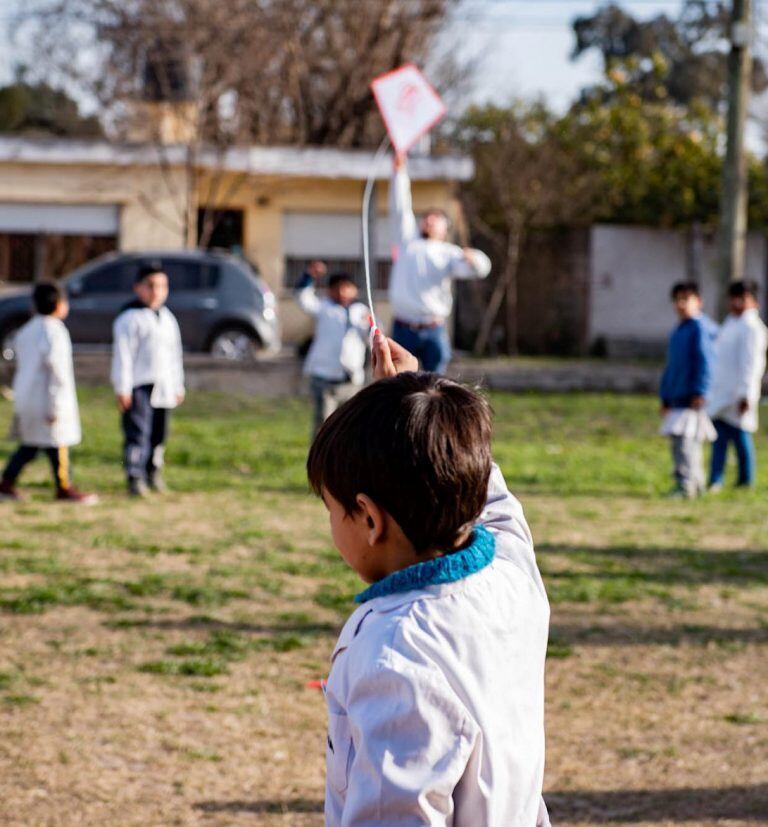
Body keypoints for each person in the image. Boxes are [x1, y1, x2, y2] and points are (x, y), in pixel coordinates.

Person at [308, 332, 550, 826]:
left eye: (332, 509)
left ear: (370, 521)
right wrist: (416, 406)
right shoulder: (511, 571)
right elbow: (487, 496)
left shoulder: (397, 654)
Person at [389, 153, 492, 373]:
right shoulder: (408, 241)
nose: (429, 220)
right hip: (403, 326)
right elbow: (400, 207)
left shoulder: (448, 253)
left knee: (436, 384)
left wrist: (473, 258)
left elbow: (481, 269)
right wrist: (399, 173)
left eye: (436, 219)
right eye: (427, 217)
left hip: (433, 328)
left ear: (445, 229)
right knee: (398, 384)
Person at [0, 281, 97, 503]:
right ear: (59, 304)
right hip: (48, 398)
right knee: (57, 443)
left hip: (26, 396)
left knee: (31, 445)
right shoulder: (54, 331)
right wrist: (55, 405)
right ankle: (64, 486)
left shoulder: (25, 330)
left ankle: (6, 483)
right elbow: (57, 370)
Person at [111, 265, 185, 497]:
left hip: (163, 386)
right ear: (138, 288)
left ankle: (153, 471)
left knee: (158, 434)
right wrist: (123, 388)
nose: (157, 291)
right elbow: (123, 356)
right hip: (139, 386)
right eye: (151, 286)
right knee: (138, 433)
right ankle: (135, 476)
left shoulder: (168, 318)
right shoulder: (129, 318)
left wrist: (178, 384)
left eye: (162, 286)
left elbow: (175, 356)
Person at [658, 281, 718, 498]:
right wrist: (665, 397)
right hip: (676, 397)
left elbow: (706, 363)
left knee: (687, 444)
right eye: (677, 300)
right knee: (682, 442)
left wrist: (701, 391)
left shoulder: (700, 329)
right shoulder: (679, 330)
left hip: (691, 397)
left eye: (686, 299)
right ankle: (695, 484)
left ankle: (688, 485)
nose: (681, 304)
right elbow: (672, 366)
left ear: (698, 301)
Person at [708, 279, 768, 490]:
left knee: (741, 438)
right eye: (733, 298)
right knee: (718, 438)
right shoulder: (731, 323)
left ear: (753, 301)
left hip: (738, 394)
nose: (737, 303)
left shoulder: (752, 328)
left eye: (742, 299)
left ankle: (745, 480)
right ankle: (716, 479)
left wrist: (746, 395)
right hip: (722, 392)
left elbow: (752, 365)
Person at [295, 266, 369, 435]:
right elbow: (302, 297)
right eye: (337, 288)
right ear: (329, 291)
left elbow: (372, 335)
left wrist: (370, 326)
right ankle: (320, 458)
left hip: (351, 379)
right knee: (324, 423)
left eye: (346, 287)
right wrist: (308, 276)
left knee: (350, 425)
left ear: (355, 290)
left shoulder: (361, 312)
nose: (342, 292)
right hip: (324, 377)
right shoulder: (324, 308)